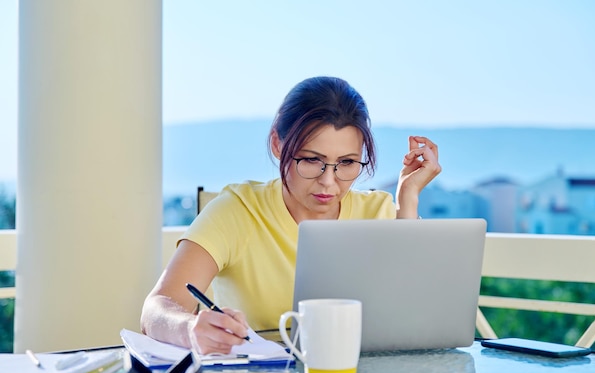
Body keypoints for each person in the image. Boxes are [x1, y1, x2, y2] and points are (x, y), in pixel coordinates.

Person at [140, 76, 441, 354]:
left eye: (347, 163)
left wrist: (409, 198)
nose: (328, 182)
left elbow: (420, 317)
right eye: (312, 160)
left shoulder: (380, 213)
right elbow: (157, 309)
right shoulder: (238, 209)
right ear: (277, 144)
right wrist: (190, 328)